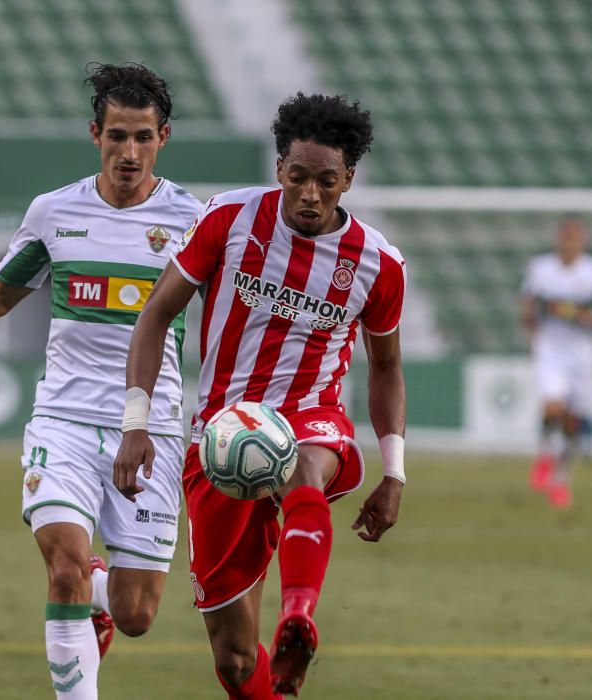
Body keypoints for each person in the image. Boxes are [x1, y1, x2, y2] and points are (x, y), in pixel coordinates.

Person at [0, 63, 200, 700]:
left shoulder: (192, 219)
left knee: (135, 615)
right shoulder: (55, 213)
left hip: (151, 430)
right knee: (65, 567)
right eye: (117, 136)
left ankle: (103, 591)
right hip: (64, 421)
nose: (129, 152)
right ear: (95, 134)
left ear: (163, 140)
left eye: (144, 138)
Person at [113, 92, 407, 697]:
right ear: (279, 168)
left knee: (301, 465)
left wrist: (395, 469)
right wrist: (135, 423)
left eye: (326, 181)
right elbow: (154, 316)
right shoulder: (230, 219)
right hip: (220, 436)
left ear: (347, 178)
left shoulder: (378, 264)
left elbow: (387, 366)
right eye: (297, 177)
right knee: (237, 658)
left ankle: (299, 615)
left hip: (310, 415)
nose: (309, 194)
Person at [521, 218, 592, 509]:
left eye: (574, 237)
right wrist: (531, 325)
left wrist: (588, 317)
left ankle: (561, 480)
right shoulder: (541, 268)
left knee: (573, 420)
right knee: (552, 406)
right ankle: (544, 453)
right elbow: (528, 304)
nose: (569, 242)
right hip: (550, 347)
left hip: (582, 350)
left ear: (583, 241)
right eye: (564, 237)